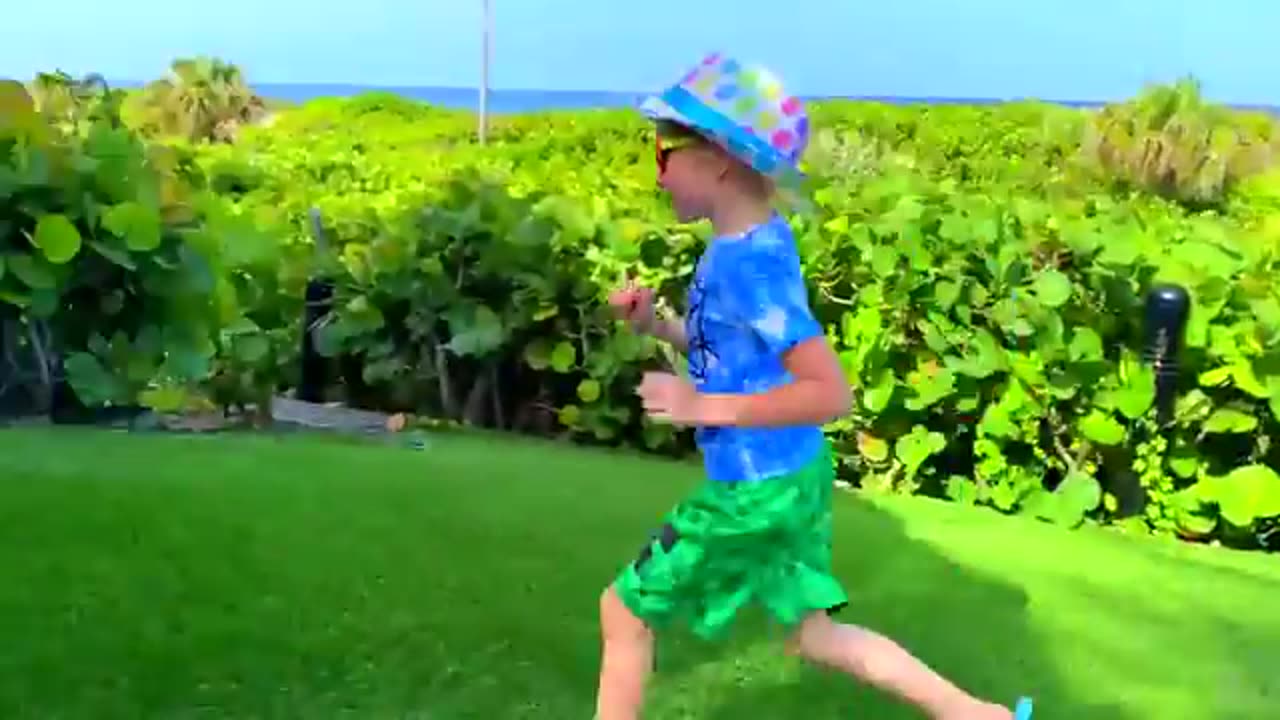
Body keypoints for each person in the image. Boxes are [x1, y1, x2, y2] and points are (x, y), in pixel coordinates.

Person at [598, 53, 1033, 720]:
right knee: (816, 636)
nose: (655, 172)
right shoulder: (743, 246)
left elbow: (831, 393)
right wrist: (657, 324)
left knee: (624, 610)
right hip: (791, 476)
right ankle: (975, 715)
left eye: (662, 152)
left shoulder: (752, 268)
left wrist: (698, 405)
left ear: (716, 158)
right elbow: (736, 355)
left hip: (755, 491)